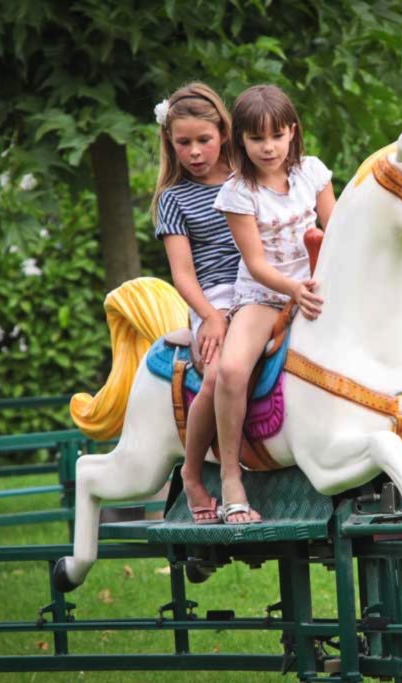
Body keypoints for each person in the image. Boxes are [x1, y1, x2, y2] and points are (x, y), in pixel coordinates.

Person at [212, 84, 336, 523]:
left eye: (277, 136)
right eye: (257, 138)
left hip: (316, 286)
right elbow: (256, 263)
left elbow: (335, 228)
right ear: (240, 141)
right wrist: (293, 289)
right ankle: (230, 474)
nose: (269, 147)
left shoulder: (312, 173)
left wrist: (323, 279)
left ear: (292, 133)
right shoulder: (238, 192)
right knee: (230, 371)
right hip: (265, 295)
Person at [151, 82, 238, 525]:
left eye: (203, 140)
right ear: (171, 142)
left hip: (261, 286)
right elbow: (183, 273)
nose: (195, 151)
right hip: (213, 297)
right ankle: (191, 472)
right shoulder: (173, 199)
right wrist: (209, 316)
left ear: (222, 132)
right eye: (183, 143)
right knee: (219, 372)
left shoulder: (247, 177)